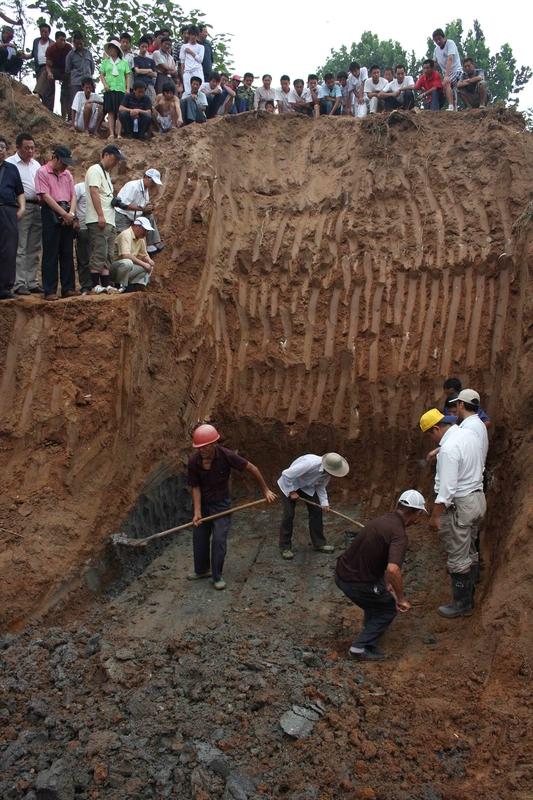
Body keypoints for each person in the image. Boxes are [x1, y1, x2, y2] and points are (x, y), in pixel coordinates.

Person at [335, 490, 427, 661]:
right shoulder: (399, 534)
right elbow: (393, 569)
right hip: (356, 582)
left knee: (378, 598)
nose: (418, 519)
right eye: (419, 514)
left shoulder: (382, 520)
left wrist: (386, 582)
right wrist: (400, 598)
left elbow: (380, 558)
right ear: (415, 513)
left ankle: (369, 632)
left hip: (343, 572)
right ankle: (359, 648)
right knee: (387, 608)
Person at [187, 423, 276, 590]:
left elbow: (252, 468)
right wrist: (197, 512)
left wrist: (266, 490)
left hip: (221, 505)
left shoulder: (227, 456)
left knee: (219, 539)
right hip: (204, 505)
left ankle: (217, 576)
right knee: (199, 537)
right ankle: (201, 570)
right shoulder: (193, 461)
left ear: (213, 444)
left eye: (204, 447)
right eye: (199, 447)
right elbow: (195, 487)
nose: (201, 450)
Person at [419, 408, 486, 618]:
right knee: (469, 547)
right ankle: (472, 586)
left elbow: (447, 491)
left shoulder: (448, 449)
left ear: (436, 428)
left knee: (458, 554)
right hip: (477, 499)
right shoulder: (469, 434)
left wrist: (436, 516)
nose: (432, 440)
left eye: (430, 434)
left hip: (460, 504)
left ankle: (462, 604)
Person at [277, 452, 349, 559]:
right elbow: (286, 474)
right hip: (289, 484)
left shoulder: (327, 473)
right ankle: (285, 547)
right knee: (289, 515)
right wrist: (291, 491)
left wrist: (324, 503)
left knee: (316, 511)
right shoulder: (309, 463)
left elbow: (320, 486)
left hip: (306, 487)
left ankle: (319, 543)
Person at [34, 145, 77, 300]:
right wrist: (62, 213)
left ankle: (68, 288)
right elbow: (45, 196)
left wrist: (70, 214)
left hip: (66, 211)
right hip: (51, 211)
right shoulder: (42, 172)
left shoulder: (68, 175)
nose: (65, 166)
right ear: (56, 158)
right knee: (51, 252)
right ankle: (50, 290)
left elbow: (73, 196)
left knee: (66, 251)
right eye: (63, 162)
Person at [85, 143, 126, 292]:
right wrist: (100, 215)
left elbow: (103, 194)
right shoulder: (95, 170)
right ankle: (95, 285)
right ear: (106, 155)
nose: (116, 163)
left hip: (109, 219)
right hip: (99, 219)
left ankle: (105, 284)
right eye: (114, 159)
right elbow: (94, 192)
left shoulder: (106, 174)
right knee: (100, 251)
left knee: (108, 253)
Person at [6, 132, 42, 295]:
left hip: (38, 207)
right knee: (20, 245)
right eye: (26, 148)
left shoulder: (36, 165)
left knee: (34, 246)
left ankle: (31, 281)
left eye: (32, 148)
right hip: (20, 206)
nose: (30, 151)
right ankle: (19, 282)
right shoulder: (9, 164)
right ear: (18, 147)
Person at [115, 168, 163, 253]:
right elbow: (122, 205)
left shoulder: (145, 190)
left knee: (149, 216)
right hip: (122, 216)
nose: (154, 185)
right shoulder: (133, 186)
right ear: (146, 177)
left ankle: (151, 244)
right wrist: (142, 209)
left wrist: (149, 208)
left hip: (133, 216)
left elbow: (144, 205)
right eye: (153, 182)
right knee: (124, 239)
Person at [0, 135, 24, 300]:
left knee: (8, 249)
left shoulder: (11, 168)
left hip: (8, 210)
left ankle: (5, 287)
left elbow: (19, 191)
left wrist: (22, 208)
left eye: (2, 147)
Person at [110, 216, 155, 291]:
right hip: (115, 268)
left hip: (125, 268)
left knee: (148, 266)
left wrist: (149, 260)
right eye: (145, 230)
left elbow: (143, 255)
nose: (146, 233)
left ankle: (132, 286)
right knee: (128, 263)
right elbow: (125, 255)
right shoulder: (126, 234)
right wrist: (144, 264)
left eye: (147, 231)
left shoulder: (140, 238)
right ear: (137, 227)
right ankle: (119, 285)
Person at [100, 40, 131, 139]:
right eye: (109, 48)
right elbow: (101, 74)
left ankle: (119, 134)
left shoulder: (124, 62)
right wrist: (105, 85)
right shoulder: (105, 62)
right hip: (109, 89)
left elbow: (127, 76)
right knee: (110, 112)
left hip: (120, 89)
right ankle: (111, 133)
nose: (110, 50)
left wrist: (127, 88)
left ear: (117, 50)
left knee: (119, 112)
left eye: (112, 48)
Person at [432, 28, 462, 111]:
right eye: (435, 40)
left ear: (444, 37)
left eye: (439, 39)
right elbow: (434, 63)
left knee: (447, 83)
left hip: (456, 71)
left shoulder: (450, 43)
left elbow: (450, 59)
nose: (438, 41)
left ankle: (451, 106)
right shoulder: (436, 50)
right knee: (444, 88)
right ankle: (454, 107)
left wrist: (446, 76)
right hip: (447, 73)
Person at [45, 31, 72, 119]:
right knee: (50, 88)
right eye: (61, 40)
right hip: (55, 70)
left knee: (65, 94)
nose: (63, 42)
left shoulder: (68, 47)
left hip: (66, 72)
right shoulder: (50, 49)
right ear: (56, 39)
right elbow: (48, 65)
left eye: (64, 40)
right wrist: (49, 73)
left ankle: (66, 116)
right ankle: (49, 111)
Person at [65, 31, 94, 108]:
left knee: (91, 103)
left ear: (83, 42)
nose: (79, 45)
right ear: (74, 43)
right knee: (76, 104)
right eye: (77, 44)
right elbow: (67, 69)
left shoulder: (88, 53)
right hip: (76, 82)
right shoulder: (70, 55)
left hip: (88, 82)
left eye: (80, 43)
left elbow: (92, 68)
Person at [73, 181, 92, 294]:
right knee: (83, 258)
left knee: (97, 256)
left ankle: (96, 283)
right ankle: (86, 285)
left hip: (97, 227)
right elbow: (73, 203)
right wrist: (75, 219)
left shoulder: (102, 187)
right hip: (83, 226)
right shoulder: (80, 187)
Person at [31, 22, 54, 111]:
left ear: (49, 33)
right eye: (42, 31)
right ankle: (43, 109)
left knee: (49, 90)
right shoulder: (36, 41)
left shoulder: (52, 43)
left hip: (48, 67)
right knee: (42, 89)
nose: (44, 33)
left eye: (46, 32)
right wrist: (23, 56)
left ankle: (49, 110)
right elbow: (33, 54)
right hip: (38, 67)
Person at [179, 25, 204, 94]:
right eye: (192, 35)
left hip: (197, 71)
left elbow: (200, 60)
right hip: (187, 72)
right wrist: (182, 75)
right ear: (189, 35)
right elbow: (182, 62)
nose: (193, 37)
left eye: (195, 35)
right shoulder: (184, 46)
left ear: (197, 36)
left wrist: (191, 52)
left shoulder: (201, 47)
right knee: (188, 92)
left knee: (199, 91)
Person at [133, 37, 157, 104]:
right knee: (138, 104)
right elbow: (137, 70)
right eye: (142, 46)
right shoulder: (135, 59)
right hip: (138, 85)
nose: (144, 49)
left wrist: (143, 71)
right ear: (139, 47)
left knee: (152, 103)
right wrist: (149, 70)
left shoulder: (151, 61)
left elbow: (155, 74)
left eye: (146, 47)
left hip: (149, 85)